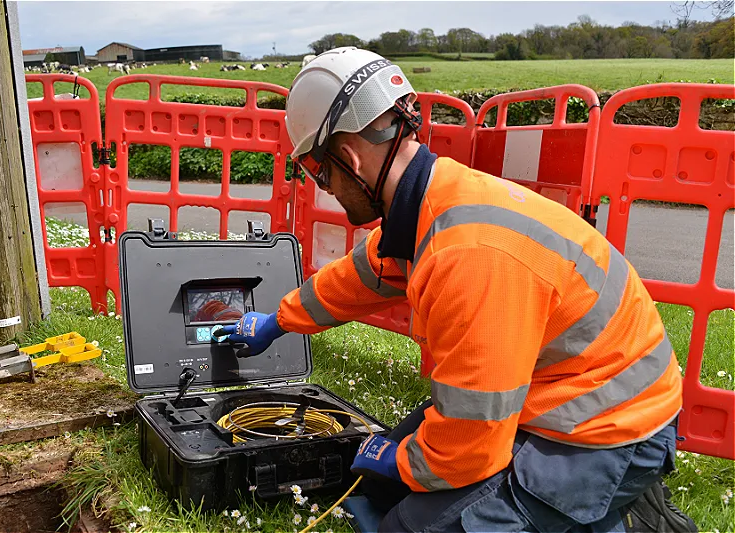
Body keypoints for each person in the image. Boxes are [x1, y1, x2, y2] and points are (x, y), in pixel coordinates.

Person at [220, 47, 697, 533]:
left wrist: (406, 461)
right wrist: (278, 321)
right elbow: (358, 278)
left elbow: (469, 445)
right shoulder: (431, 203)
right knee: (377, 488)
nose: (326, 190)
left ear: (347, 157)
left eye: (319, 173)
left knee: (405, 526)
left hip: (604, 429)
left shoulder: (467, 253)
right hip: (550, 392)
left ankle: (623, 515)